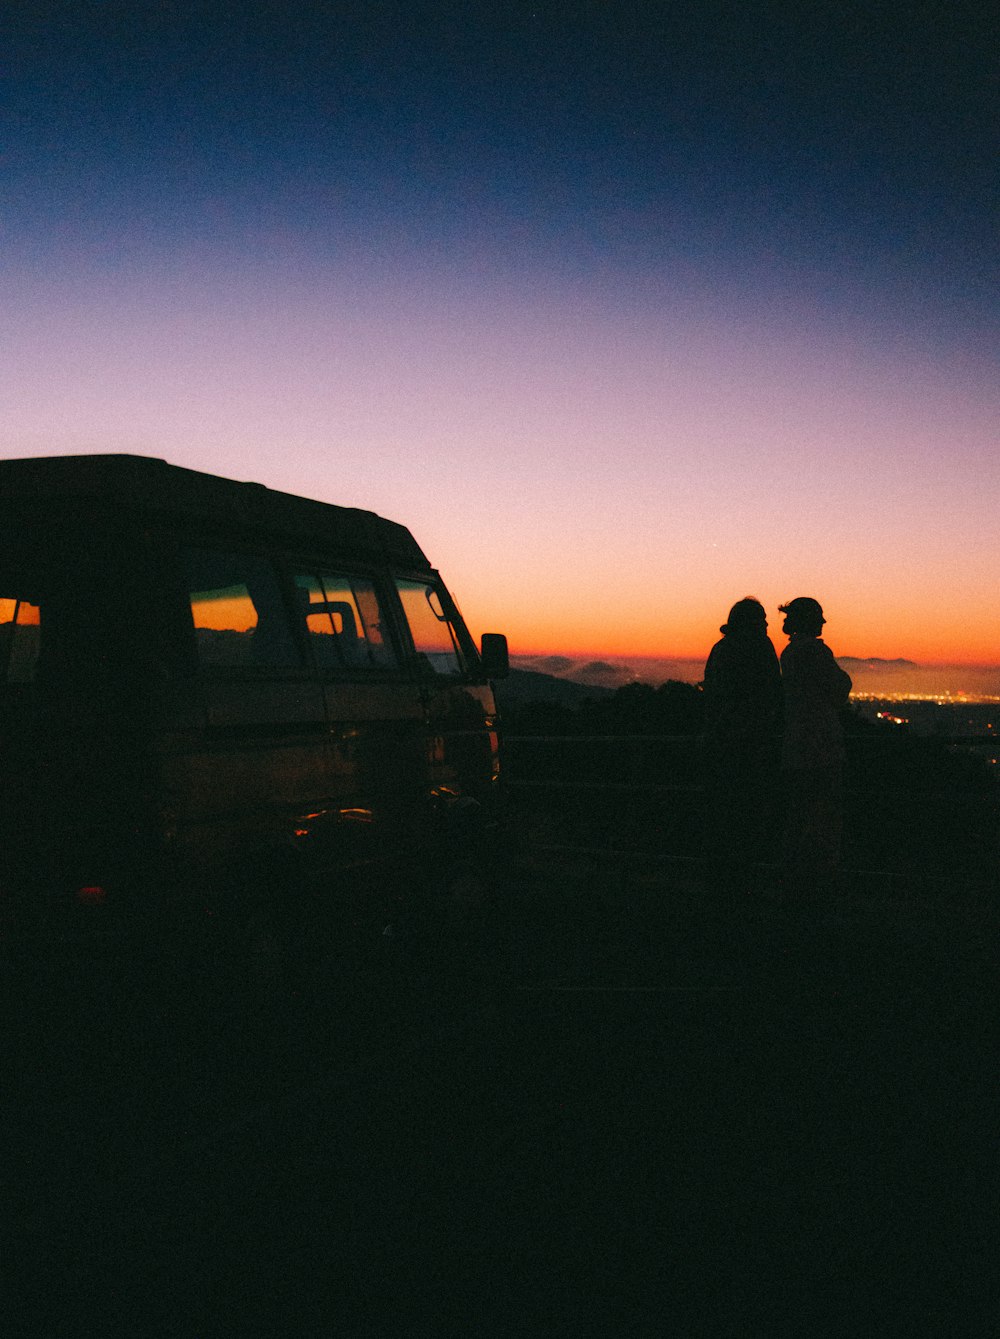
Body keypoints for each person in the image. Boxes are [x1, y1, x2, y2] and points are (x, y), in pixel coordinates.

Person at [702, 597, 782, 900]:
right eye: (761, 618)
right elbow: (773, 690)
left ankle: (721, 886)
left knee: (722, 818)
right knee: (748, 818)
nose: (766, 624)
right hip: (751, 745)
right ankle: (744, 886)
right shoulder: (761, 647)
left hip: (719, 744)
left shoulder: (720, 649)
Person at [777, 596, 853, 902]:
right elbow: (839, 687)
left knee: (797, 820)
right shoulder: (815, 651)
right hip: (821, 747)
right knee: (822, 820)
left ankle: (794, 887)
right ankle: (819, 890)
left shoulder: (789, 653)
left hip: (794, 747)